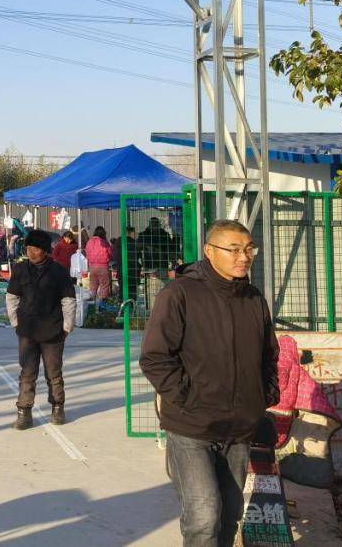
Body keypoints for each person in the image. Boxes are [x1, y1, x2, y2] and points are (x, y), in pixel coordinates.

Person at [139, 220, 279, 547]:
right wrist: (187, 398)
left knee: (230, 514)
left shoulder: (253, 298)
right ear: (209, 251)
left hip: (240, 427)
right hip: (192, 427)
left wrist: (263, 396)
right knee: (203, 516)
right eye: (234, 249)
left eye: (249, 249)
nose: (244, 256)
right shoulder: (179, 294)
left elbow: (269, 355)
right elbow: (155, 357)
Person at [6, 229, 76, 430]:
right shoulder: (19, 270)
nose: (30, 252)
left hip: (53, 330)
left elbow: (69, 300)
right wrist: (15, 323)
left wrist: (67, 327)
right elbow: (12, 297)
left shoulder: (59, 271)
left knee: (54, 373)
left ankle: (57, 407)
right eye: (28, 248)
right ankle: (24, 412)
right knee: (27, 373)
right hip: (27, 330)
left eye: (35, 249)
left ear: (45, 251)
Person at [84, 226, 114, 299]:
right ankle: (103, 303)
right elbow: (110, 253)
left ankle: (92, 303)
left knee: (93, 285)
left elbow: (86, 252)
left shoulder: (89, 241)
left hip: (92, 266)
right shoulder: (104, 242)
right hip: (103, 266)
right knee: (104, 285)